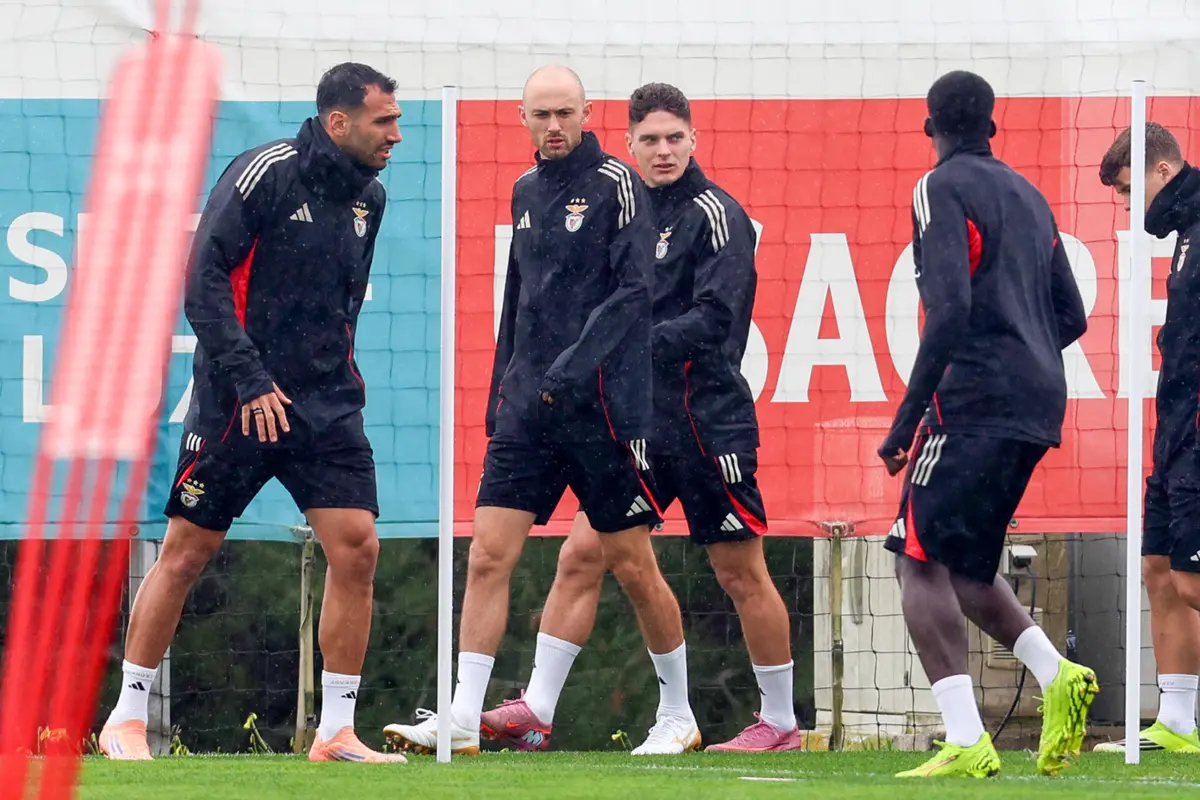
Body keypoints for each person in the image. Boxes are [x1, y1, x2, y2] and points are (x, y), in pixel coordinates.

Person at [474, 82, 800, 754]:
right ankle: (536, 708)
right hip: (639, 425)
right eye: (648, 139)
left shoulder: (717, 215)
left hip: (708, 423)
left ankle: (780, 721)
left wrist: (624, 341)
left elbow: (717, 322)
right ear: (628, 144)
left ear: (693, 140)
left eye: (673, 138)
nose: (662, 151)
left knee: (740, 570)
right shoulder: (615, 207)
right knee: (581, 556)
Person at [382, 65, 695, 756]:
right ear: (522, 120)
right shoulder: (525, 190)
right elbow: (516, 301)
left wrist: (569, 369)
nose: (553, 126)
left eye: (564, 113)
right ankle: (464, 715)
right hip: (529, 410)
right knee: (488, 553)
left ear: (588, 113)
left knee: (632, 563)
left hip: (603, 413)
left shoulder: (618, 185)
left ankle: (678, 712)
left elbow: (633, 295)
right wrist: (505, 389)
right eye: (540, 115)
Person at [97, 62, 404, 764]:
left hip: (326, 406)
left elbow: (341, 305)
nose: (395, 134)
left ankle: (336, 732)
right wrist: (251, 379)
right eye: (383, 121)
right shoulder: (264, 171)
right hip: (240, 400)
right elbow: (201, 283)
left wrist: (326, 383)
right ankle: (126, 718)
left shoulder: (372, 198)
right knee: (187, 553)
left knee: (358, 548)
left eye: (396, 120)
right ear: (339, 122)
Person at [876, 70, 1096, 778]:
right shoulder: (1030, 196)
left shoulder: (938, 187)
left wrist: (906, 419)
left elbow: (949, 311)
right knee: (968, 568)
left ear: (928, 123)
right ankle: (1058, 675)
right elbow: (1072, 316)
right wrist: (1021, 355)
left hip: (971, 401)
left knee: (916, 558)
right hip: (1038, 401)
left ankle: (965, 738)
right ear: (991, 123)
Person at [1092, 123, 1200, 754]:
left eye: (1134, 190)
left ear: (1164, 170)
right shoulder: (1185, 232)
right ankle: (1179, 722)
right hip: (1175, 420)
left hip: (1196, 422)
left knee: (1192, 582)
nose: (1133, 209)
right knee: (1158, 568)